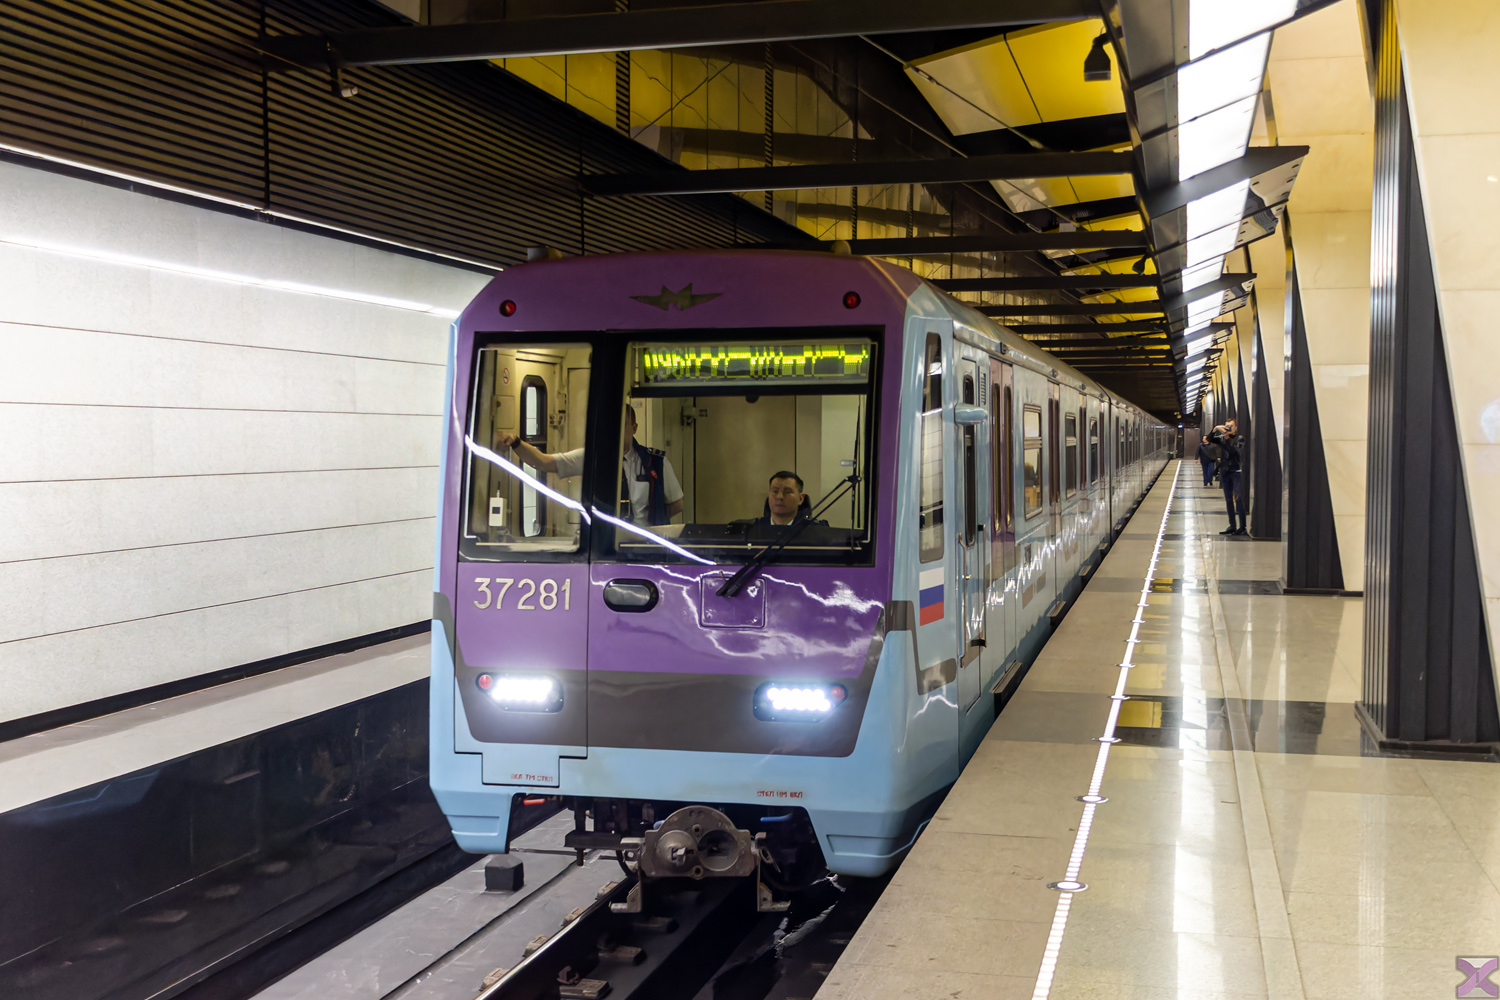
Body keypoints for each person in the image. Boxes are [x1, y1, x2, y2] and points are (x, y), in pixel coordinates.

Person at [496, 405, 684, 527]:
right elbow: (544, 462)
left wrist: (654, 524)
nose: (615, 431)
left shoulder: (656, 462)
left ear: (634, 428)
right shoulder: (592, 457)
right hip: (605, 546)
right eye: (611, 425)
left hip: (643, 545)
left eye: (623, 425)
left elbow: (677, 504)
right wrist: (515, 443)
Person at [1208, 419, 1246, 536]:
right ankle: (1232, 525)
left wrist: (1227, 439)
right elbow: (1210, 439)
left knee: (1238, 498)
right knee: (1228, 499)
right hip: (1225, 471)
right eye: (1226, 426)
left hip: (1236, 471)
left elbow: (1234, 452)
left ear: (1236, 427)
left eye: (1231, 426)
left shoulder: (1240, 439)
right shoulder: (1222, 437)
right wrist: (1215, 429)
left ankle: (1242, 526)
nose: (1228, 428)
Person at [757, 471, 825, 526]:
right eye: (775, 491)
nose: (779, 497)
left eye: (787, 491)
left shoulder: (817, 530)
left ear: (800, 499)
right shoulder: (752, 529)